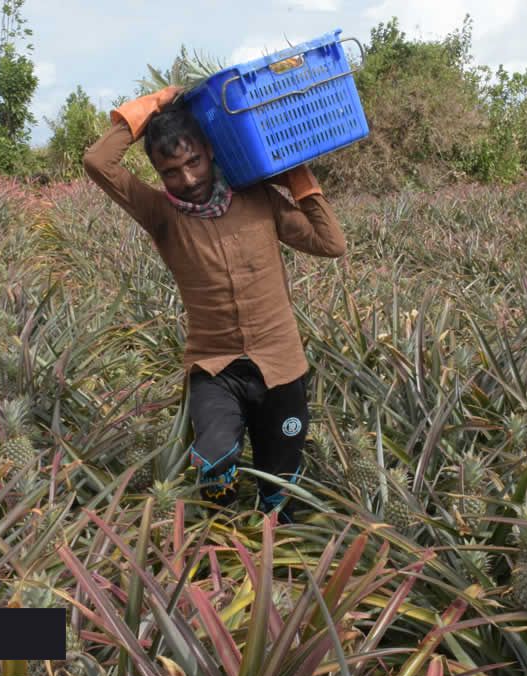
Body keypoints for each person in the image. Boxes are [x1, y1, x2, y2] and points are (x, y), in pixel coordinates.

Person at [83, 86, 347, 522]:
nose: (187, 179)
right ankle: (218, 546)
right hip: (215, 367)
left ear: (210, 150)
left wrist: (297, 178)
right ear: (157, 174)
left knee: (282, 488)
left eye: (194, 162)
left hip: (280, 364)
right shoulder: (161, 215)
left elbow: (330, 242)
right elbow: (98, 162)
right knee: (215, 460)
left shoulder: (258, 198)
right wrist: (150, 106)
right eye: (170, 171)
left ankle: (277, 556)